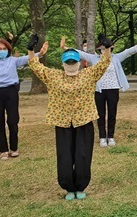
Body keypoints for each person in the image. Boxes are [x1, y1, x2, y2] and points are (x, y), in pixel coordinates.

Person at [29, 40, 112, 200]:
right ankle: (68, 187)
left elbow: (104, 63)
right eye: (68, 62)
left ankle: (81, 185)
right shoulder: (53, 76)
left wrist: (107, 48)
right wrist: (31, 50)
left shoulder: (89, 74)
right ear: (63, 63)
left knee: (83, 154)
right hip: (62, 122)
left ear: (79, 63)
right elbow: (35, 65)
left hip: (84, 120)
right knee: (64, 155)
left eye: (74, 61)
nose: (71, 64)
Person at [61, 33, 137, 148]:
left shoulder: (116, 57)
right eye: (100, 48)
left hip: (113, 89)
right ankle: (102, 137)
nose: (103, 50)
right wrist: (65, 48)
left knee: (112, 113)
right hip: (99, 90)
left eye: (105, 47)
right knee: (100, 114)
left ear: (110, 48)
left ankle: (110, 137)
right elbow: (80, 53)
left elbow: (128, 51)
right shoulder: (94, 58)